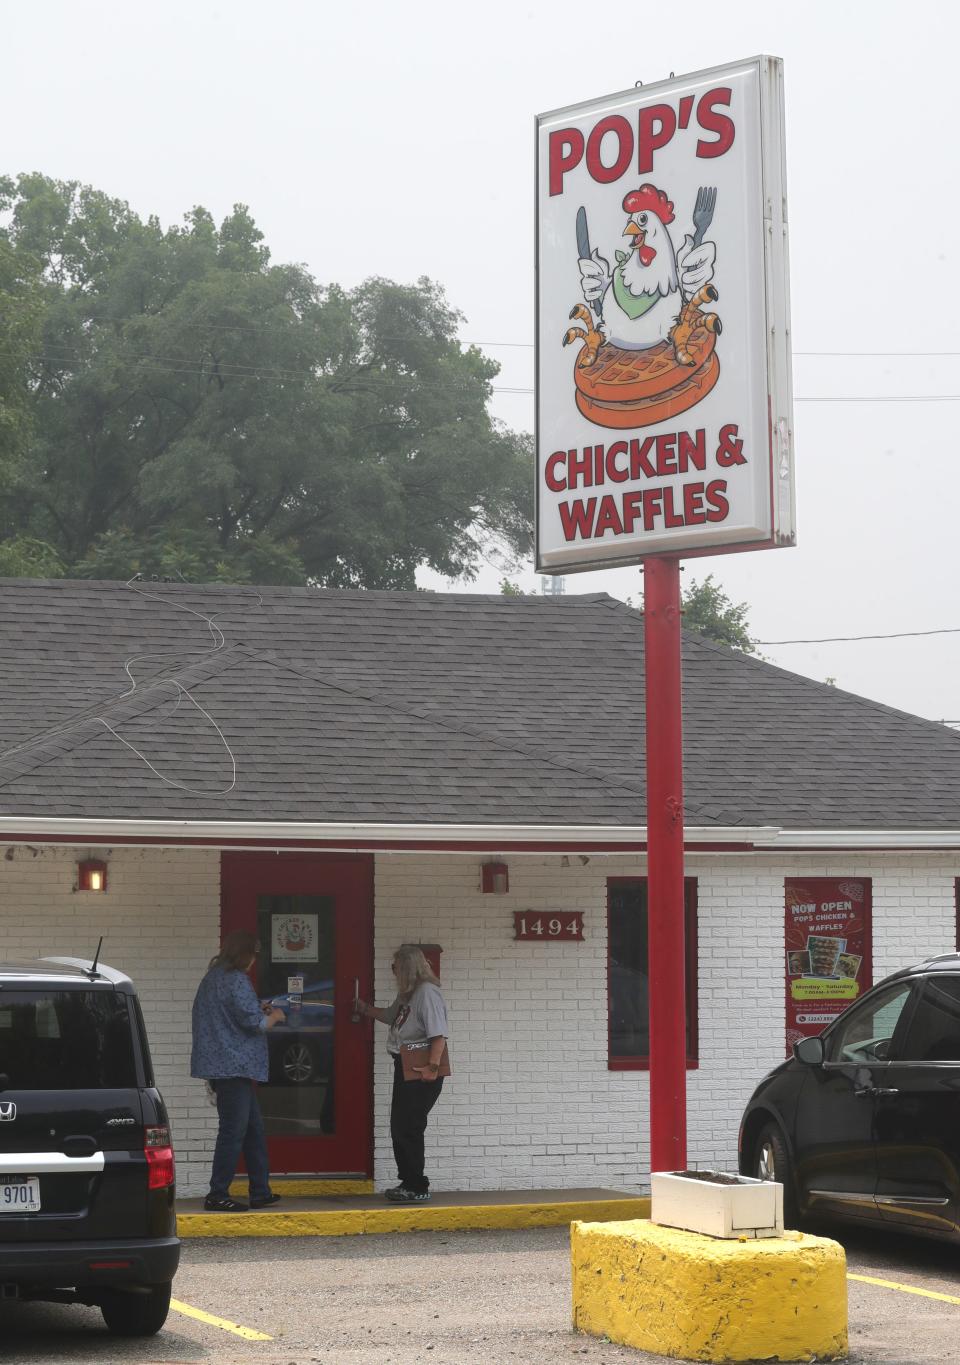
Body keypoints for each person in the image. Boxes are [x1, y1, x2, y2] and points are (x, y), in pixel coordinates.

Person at [190, 930, 286, 1213]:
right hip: (234, 1067)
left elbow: (230, 1013)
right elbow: (255, 1024)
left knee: (253, 1129)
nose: (255, 960)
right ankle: (217, 1194)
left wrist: (257, 1007)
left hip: (222, 1066)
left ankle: (260, 1190)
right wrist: (275, 1016)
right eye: (254, 954)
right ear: (245, 954)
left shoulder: (214, 978)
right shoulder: (236, 979)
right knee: (233, 1131)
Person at [358, 945, 449, 1204]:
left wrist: (432, 1068)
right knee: (401, 1125)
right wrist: (364, 1009)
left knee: (409, 1126)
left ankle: (417, 1185)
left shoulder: (427, 993)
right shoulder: (408, 995)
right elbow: (390, 1016)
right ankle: (408, 1181)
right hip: (405, 1065)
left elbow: (438, 1034)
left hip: (421, 1068)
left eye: (395, 966)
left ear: (407, 967)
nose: (393, 970)